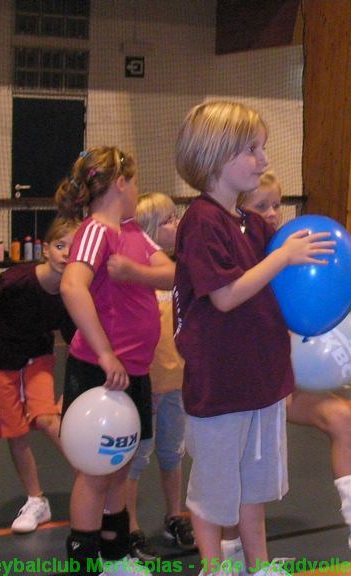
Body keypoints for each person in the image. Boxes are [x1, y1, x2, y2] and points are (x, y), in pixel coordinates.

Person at [172, 101, 335, 576]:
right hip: (222, 386)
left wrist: (344, 263)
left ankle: (258, 565)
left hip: (261, 381)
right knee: (214, 491)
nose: (263, 159)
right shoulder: (202, 222)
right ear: (217, 156)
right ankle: (212, 567)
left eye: (262, 148)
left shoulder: (249, 223)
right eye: (252, 149)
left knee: (253, 486)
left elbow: (293, 273)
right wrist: (283, 257)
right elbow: (224, 296)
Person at [231, 170, 351, 561]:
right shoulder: (241, 256)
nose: (273, 213)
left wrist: (347, 274)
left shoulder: (293, 250)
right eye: (261, 206)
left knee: (340, 417)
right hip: (241, 387)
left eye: (277, 204)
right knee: (239, 465)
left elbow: (312, 304)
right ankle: (230, 558)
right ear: (239, 209)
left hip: (280, 381)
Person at [56, 146, 175, 576]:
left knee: (120, 466)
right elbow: (72, 286)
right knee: (95, 470)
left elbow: (171, 272)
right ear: (121, 184)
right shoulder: (96, 231)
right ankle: (85, 561)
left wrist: (135, 273)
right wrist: (106, 354)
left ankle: (115, 555)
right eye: (136, 182)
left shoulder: (132, 232)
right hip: (100, 373)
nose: (137, 191)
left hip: (134, 372)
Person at [0, 216, 80, 534]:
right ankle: (37, 500)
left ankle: (91, 477)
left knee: (45, 417)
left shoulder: (70, 293)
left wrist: (77, 384)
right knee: (16, 432)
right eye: (60, 245)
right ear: (45, 250)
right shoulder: (17, 279)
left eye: (74, 246)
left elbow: (77, 341)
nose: (67, 252)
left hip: (37, 358)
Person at [107, 192, 196, 560]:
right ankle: (131, 525)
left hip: (177, 386)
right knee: (137, 459)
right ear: (147, 231)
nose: (177, 225)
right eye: (167, 220)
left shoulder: (180, 276)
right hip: (146, 385)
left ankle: (174, 514)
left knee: (172, 454)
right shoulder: (140, 281)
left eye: (176, 217)